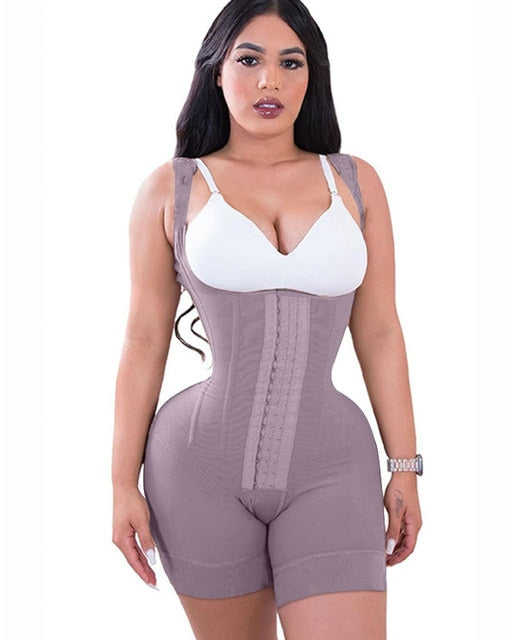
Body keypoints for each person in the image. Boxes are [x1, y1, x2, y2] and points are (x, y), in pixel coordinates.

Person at [111, 0, 423, 638]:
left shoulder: (355, 182)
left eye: (291, 63)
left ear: (313, 76)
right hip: (196, 469)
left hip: (332, 466)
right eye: (249, 60)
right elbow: (143, 339)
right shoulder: (171, 188)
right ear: (216, 71)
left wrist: (405, 467)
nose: (270, 81)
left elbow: (381, 331)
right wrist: (120, 483)